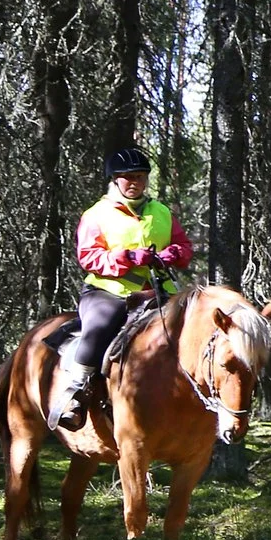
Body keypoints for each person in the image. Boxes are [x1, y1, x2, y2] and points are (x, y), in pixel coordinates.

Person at [49, 146, 191, 428]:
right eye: (128, 177)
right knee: (100, 327)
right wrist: (126, 258)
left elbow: (184, 246)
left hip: (158, 291)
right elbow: (88, 257)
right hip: (108, 292)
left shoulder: (161, 212)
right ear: (114, 180)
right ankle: (76, 392)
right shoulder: (96, 214)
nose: (135, 182)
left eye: (140, 176)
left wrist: (171, 254)